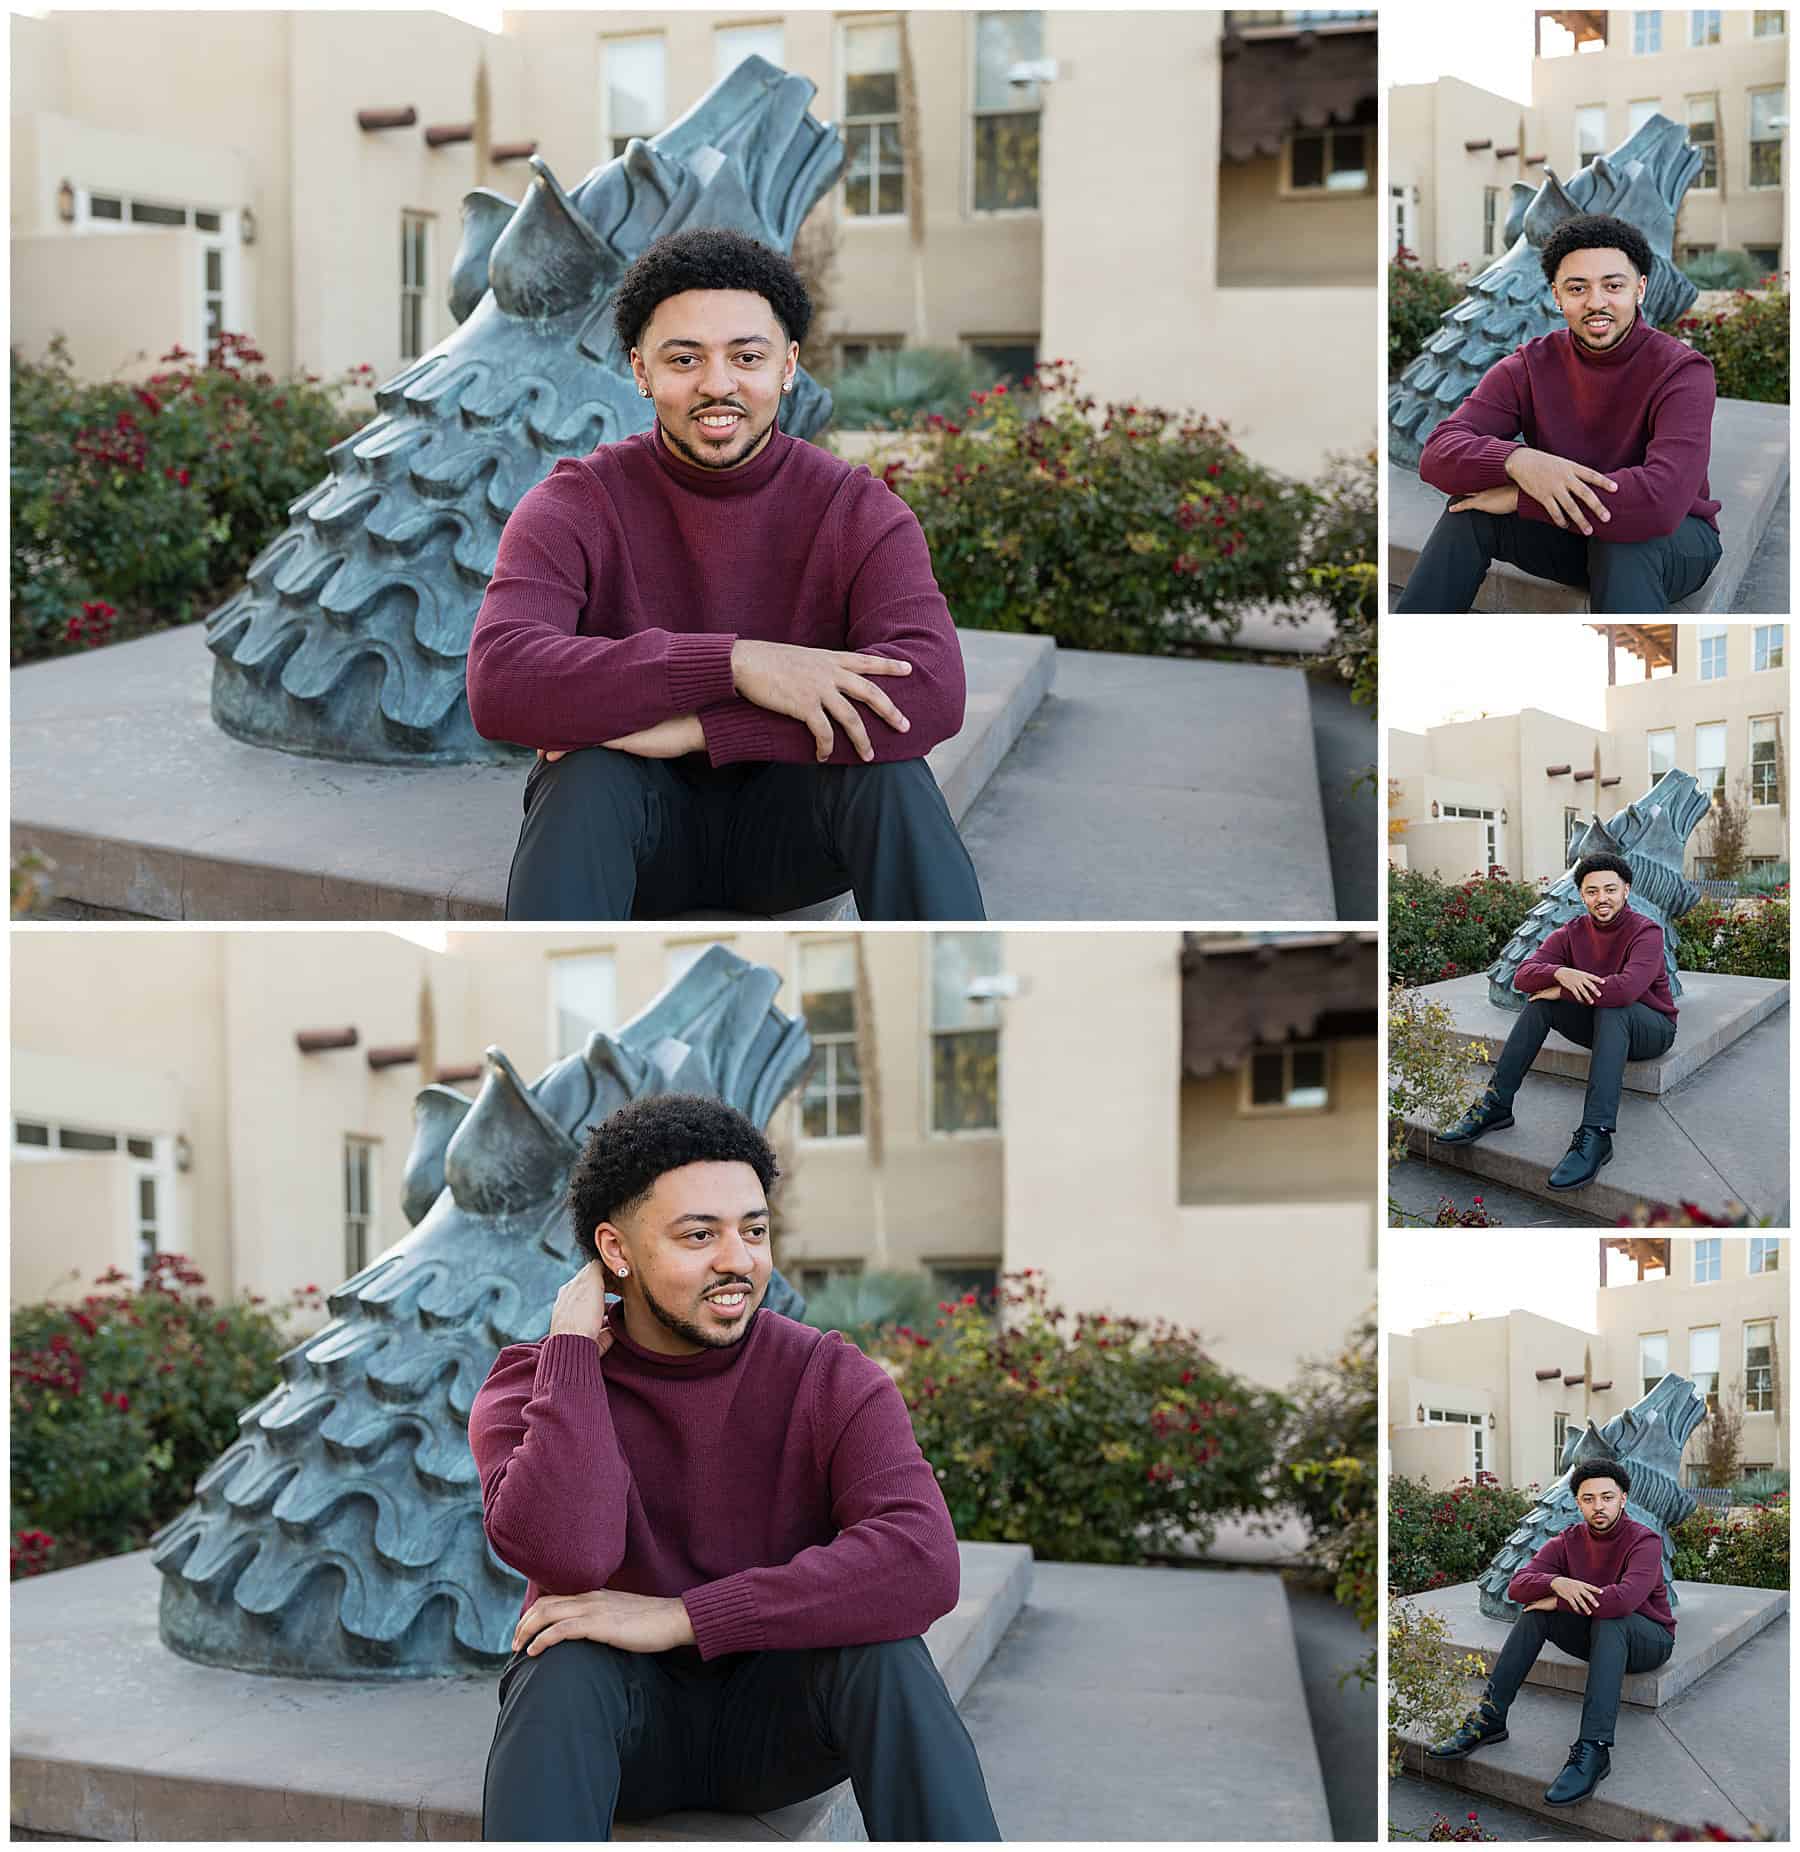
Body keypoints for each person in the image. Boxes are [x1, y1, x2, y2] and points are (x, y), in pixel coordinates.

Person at [470, 1093, 1001, 1842]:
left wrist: (684, 1616)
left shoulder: (827, 1376)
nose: (738, 1260)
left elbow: (921, 1562)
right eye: (699, 1235)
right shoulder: (531, 1384)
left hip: (779, 1729)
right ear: (616, 1251)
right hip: (621, 1738)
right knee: (559, 1665)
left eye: (754, 1230)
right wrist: (573, 1352)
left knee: (886, 1656)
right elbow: (570, 1554)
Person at [467, 226, 985, 922]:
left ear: (788, 365)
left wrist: (701, 730)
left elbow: (930, 690)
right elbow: (502, 680)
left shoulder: (857, 509)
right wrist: (737, 664)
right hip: (629, 833)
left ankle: (939, 1001)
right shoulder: (575, 502)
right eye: (684, 358)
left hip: (792, 839)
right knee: (583, 772)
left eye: (747, 356)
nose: (718, 384)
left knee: (890, 773)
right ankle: (540, 1009)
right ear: (641, 371)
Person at [1396, 212, 1721, 613]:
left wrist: (1524, 497)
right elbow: (1439, 453)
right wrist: (1518, 460)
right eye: (1577, 288)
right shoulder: (1530, 365)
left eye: (1613, 286)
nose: (1596, 302)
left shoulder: (1683, 371)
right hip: (1576, 534)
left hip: (1672, 543)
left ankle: (1633, 673)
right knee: (1468, 512)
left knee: (1623, 542)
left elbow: (1660, 501)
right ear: (1556, 296)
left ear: (1640, 289)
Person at [1427, 1458, 1675, 1807]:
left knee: (1609, 1618)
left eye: (1607, 1497)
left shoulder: (1644, 1540)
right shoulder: (1567, 1540)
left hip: (1648, 1639)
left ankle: (1594, 1747)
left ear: (1623, 1498)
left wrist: (1558, 1601)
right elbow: (1518, 1585)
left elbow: (1624, 1601)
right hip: (1599, 1636)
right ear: (1578, 1503)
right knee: (1532, 1614)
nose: (1598, 1506)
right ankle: (1490, 1717)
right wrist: (1556, 1582)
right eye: (1588, 1499)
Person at [1435, 851, 1676, 1189]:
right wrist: (1561, 972)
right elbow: (1523, 976)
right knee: (1538, 1004)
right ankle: (1496, 1104)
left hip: (1651, 1028)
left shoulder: (1646, 932)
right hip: (1601, 1024)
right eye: (1592, 891)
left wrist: (1562, 991)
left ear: (1626, 890)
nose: (1601, 898)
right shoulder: (1570, 932)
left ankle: (1597, 1133)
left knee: (1612, 1007)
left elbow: (1625, 991)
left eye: (1610, 889)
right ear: (1582, 895)